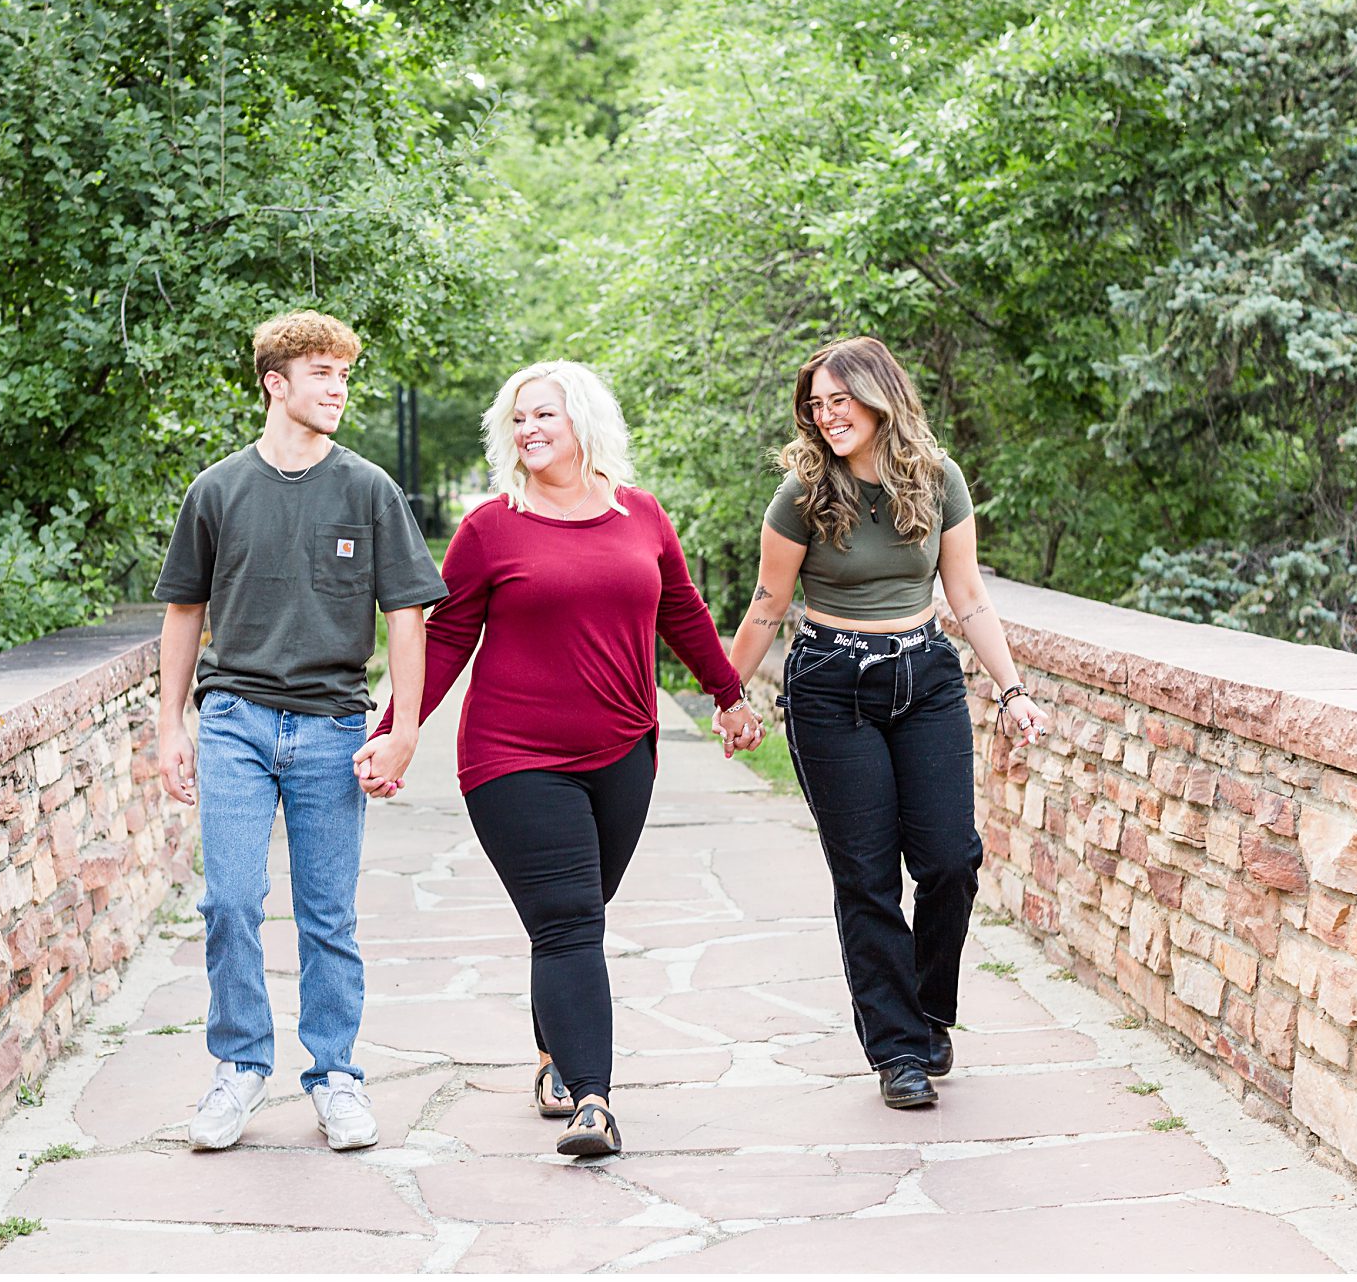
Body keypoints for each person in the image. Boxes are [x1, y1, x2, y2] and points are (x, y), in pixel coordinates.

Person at [358, 360, 761, 1158]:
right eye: (517, 419)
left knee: (572, 922)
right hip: (513, 757)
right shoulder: (489, 528)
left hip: (623, 751)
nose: (529, 430)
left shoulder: (641, 516)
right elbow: (445, 642)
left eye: (544, 414)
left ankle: (553, 1057)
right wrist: (397, 729)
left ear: (583, 421)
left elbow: (681, 611)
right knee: (572, 923)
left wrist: (728, 693)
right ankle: (594, 1103)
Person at [726, 334, 1049, 1111]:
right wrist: (726, 695)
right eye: (816, 404)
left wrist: (1012, 691)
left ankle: (930, 1009)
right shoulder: (801, 495)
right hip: (832, 686)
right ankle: (899, 1050)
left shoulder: (938, 480)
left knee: (950, 861)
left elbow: (967, 596)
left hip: (925, 676)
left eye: (840, 400)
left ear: (879, 397)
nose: (826, 415)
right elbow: (768, 606)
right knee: (867, 877)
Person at [154, 310, 448, 1153]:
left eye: (346, 375)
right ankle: (240, 1068)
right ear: (276, 383)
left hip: (331, 726)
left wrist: (402, 728)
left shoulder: (368, 489)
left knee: (328, 916)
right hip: (235, 722)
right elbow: (184, 612)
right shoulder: (216, 490)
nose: (339, 389)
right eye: (323, 374)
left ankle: (337, 1076)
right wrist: (170, 724)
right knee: (230, 902)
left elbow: (406, 617)